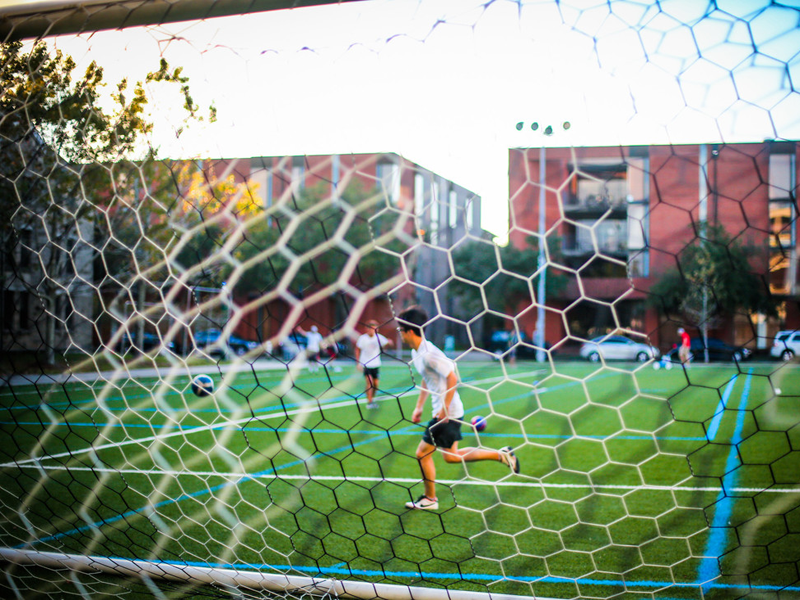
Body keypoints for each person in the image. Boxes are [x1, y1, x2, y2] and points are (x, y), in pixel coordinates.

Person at [397, 306, 520, 511]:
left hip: (448, 413)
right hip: (446, 411)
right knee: (451, 456)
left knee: (422, 453)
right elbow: (427, 378)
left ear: (410, 331)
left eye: (400, 329)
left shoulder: (429, 353)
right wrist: (419, 407)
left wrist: (444, 410)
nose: (399, 333)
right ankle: (502, 455)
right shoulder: (417, 352)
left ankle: (430, 499)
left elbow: (452, 376)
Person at [354, 320, 393, 409]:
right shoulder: (362, 338)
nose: (373, 331)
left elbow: (387, 343)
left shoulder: (379, 337)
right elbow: (357, 349)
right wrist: (358, 362)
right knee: (369, 382)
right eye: (372, 329)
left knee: (376, 384)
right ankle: (369, 402)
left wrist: (389, 343)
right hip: (366, 364)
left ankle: (371, 398)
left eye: (375, 329)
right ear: (367, 329)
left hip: (376, 364)